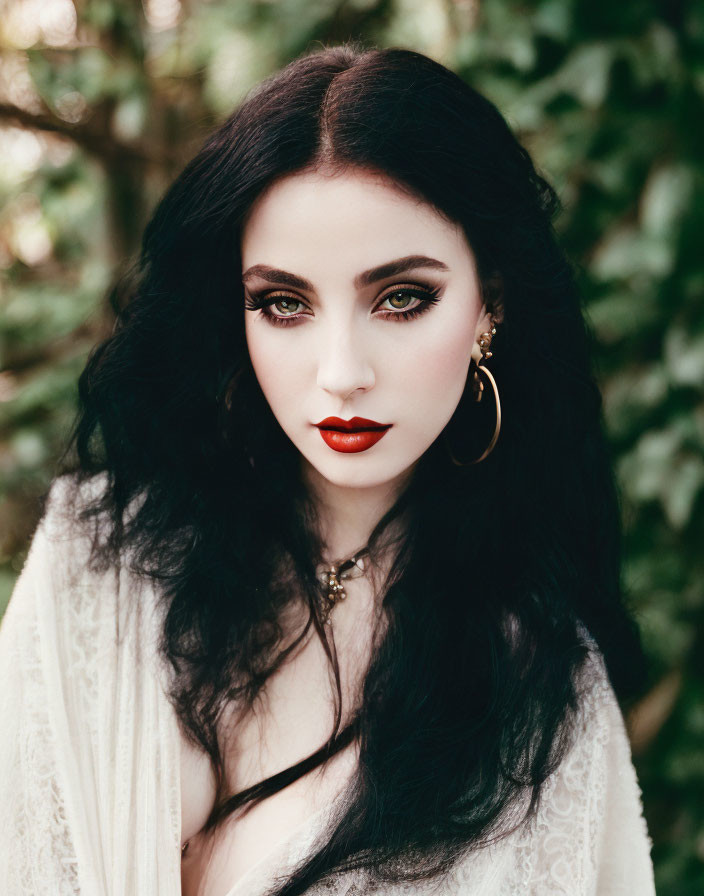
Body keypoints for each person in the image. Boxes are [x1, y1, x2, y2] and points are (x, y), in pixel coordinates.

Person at [0, 42, 656, 896]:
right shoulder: (96, 559)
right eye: (284, 303)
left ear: (490, 304)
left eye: (401, 298)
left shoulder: (542, 687)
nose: (341, 370)